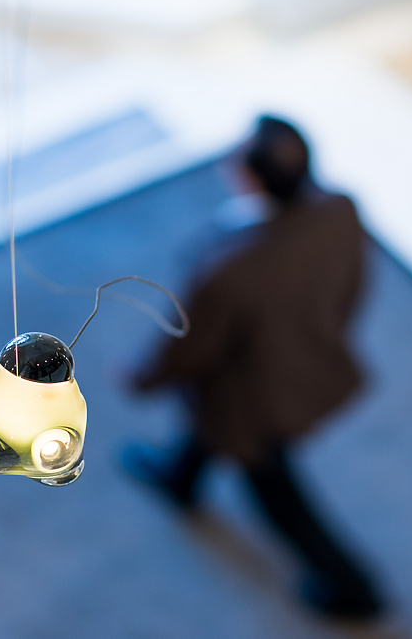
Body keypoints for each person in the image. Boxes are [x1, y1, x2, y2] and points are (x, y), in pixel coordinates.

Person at [121, 115, 383, 620]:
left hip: (254, 394)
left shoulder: (232, 269)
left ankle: (355, 588)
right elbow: (353, 284)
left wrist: (142, 377)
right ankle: (179, 478)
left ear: (249, 178)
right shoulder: (339, 211)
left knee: (272, 485)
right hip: (309, 355)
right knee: (209, 426)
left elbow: (189, 347)